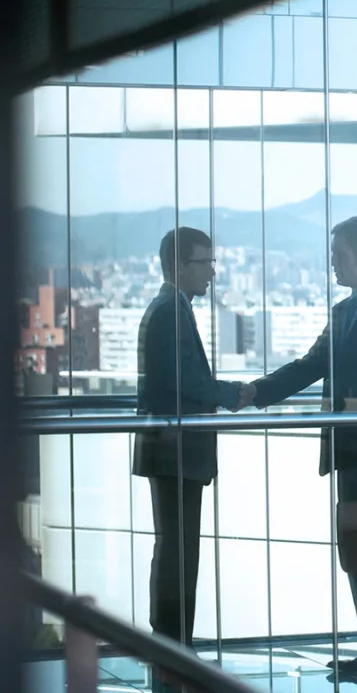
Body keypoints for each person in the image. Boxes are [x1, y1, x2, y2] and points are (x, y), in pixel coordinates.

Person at [248, 215, 357, 689]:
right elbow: (311, 366)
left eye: (340, 255)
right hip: (348, 453)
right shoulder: (345, 312)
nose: (333, 264)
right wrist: (255, 392)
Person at [133, 227, 250, 651]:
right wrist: (235, 393)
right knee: (178, 551)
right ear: (180, 266)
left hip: (171, 449)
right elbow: (187, 382)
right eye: (206, 263)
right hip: (173, 450)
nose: (213, 273)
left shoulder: (173, 307)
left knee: (177, 548)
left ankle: (172, 641)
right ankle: (172, 642)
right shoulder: (170, 311)